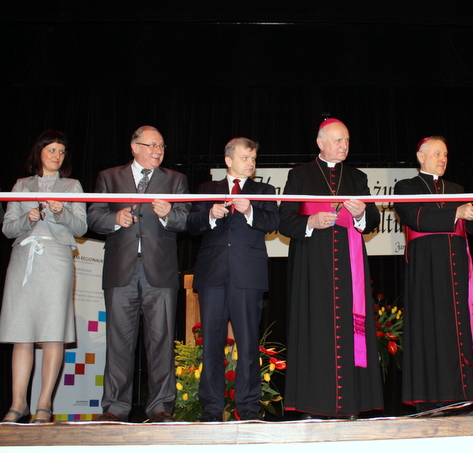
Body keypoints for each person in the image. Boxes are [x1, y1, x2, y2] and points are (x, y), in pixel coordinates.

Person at [279, 118, 383, 419]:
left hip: (351, 270)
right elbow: (284, 220)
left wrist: (363, 214)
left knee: (352, 331)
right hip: (312, 267)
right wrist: (310, 222)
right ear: (320, 143)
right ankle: (312, 406)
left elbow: (373, 220)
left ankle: (351, 404)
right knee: (314, 332)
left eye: (347, 141)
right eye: (338, 140)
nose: (344, 146)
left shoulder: (358, 177)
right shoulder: (299, 175)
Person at [88, 125, 189, 422]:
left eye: (161, 146)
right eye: (151, 145)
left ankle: (160, 407)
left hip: (160, 271)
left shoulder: (176, 179)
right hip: (121, 271)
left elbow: (185, 219)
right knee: (118, 343)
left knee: (161, 342)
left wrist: (168, 213)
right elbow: (93, 214)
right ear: (134, 147)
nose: (157, 150)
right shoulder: (109, 176)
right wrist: (114, 219)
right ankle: (115, 408)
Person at [394, 136, 473, 410]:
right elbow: (415, 218)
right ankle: (430, 399)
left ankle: (463, 395)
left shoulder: (456, 188)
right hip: (427, 270)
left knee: (461, 329)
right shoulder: (406, 187)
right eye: (437, 153)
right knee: (430, 330)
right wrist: (456, 213)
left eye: (446, 154)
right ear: (420, 157)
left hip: (457, 270)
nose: (443, 159)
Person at [187, 137, 279, 422]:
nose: (251, 163)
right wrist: (211, 216)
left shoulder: (263, 190)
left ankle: (249, 409)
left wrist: (249, 210)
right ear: (228, 160)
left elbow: (274, 223)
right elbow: (190, 225)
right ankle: (212, 410)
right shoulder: (206, 189)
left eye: (253, 159)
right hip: (212, 275)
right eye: (245, 158)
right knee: (211, 345)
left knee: (249, 345)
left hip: (248, 276)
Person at [0, 130, 87, 423]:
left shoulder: (72, 186)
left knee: (53, 333)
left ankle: (43, 404)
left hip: (57, 259)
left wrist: (61, 212)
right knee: (21, 334)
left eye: (61, 151)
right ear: (39, 152)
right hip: (24, 259)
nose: (56, 156)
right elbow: (8, 228)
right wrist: (28, 218)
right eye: (51, 150)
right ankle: (17, 404)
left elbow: (81, 228)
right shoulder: (21, 185)